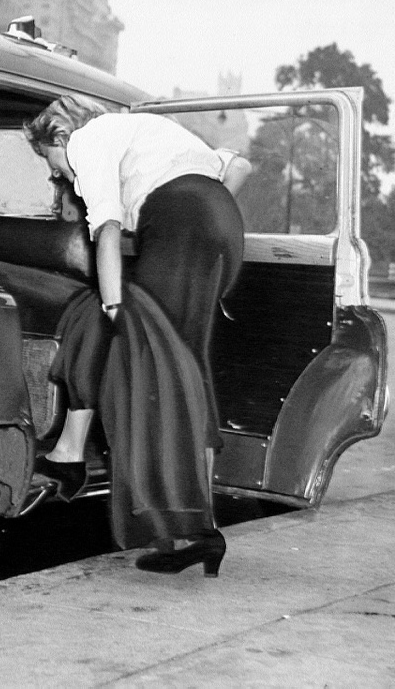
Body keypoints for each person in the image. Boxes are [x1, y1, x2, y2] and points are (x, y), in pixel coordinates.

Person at [24, 96, 245, 577]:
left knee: (127, 343)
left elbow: (105, 231)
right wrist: (203, 208)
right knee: (184, 368)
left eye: (51, 161)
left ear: (62, 136)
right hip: (222, 224)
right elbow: (238, 166)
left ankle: (77, 458)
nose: (58, 174)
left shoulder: (87, 141)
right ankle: (200, 528)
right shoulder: (139, 130)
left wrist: (113, 306)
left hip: (180, 225)